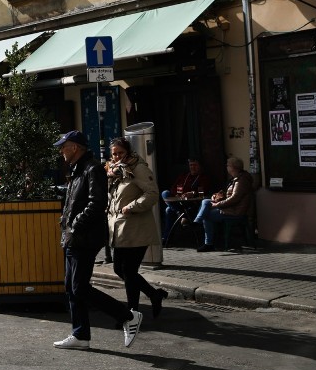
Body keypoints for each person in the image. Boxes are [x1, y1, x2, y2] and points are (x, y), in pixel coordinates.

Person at [53, 130, 143, 351]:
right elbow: (75, 201)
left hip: (84, 238)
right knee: (71, 287)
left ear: (75, 147)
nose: (61, 150)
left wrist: (74, 224)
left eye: (64, 146)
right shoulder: (77, 169)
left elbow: (96, 203)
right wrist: (65, 221)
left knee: (79, 287)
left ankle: (127, 317)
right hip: (73, 237)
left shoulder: (92, 168)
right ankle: (80, 335)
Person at [106, 137, 168, 317]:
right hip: (120, 229)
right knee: (120, 269)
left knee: (129, 271)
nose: (117, 157)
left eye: (120, 153)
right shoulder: (116, 171)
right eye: (114, 154)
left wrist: (131, 207)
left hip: (136, 228)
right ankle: (154, 295)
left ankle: (132, 313)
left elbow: (152, 194)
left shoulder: (138, 168)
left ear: (129, 152)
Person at [193, 157, 254, 252]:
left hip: (235, 211)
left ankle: (208, 243)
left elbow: (234, 199)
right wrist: (216, 197)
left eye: (228, 165)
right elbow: (229, 195)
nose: (226, 167)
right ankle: (198, 220)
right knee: (205, 201)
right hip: (230, 208)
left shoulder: (241, 181)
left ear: (233, 167)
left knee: (208, 216)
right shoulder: (236, 178)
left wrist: (217, 205)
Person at [161, 157, 212, 243]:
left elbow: (203, 190)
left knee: (168, 210)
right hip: (179, 203)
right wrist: (177, 194)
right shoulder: (184, 176)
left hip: (192, 205)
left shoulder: (203, 177)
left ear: (200, 166)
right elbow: (174, 188)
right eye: (191, 165)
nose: (192, 167)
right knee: (165, 193)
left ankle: (166, 238)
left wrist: (192, 193)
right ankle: (181, 214)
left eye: (195, 165)